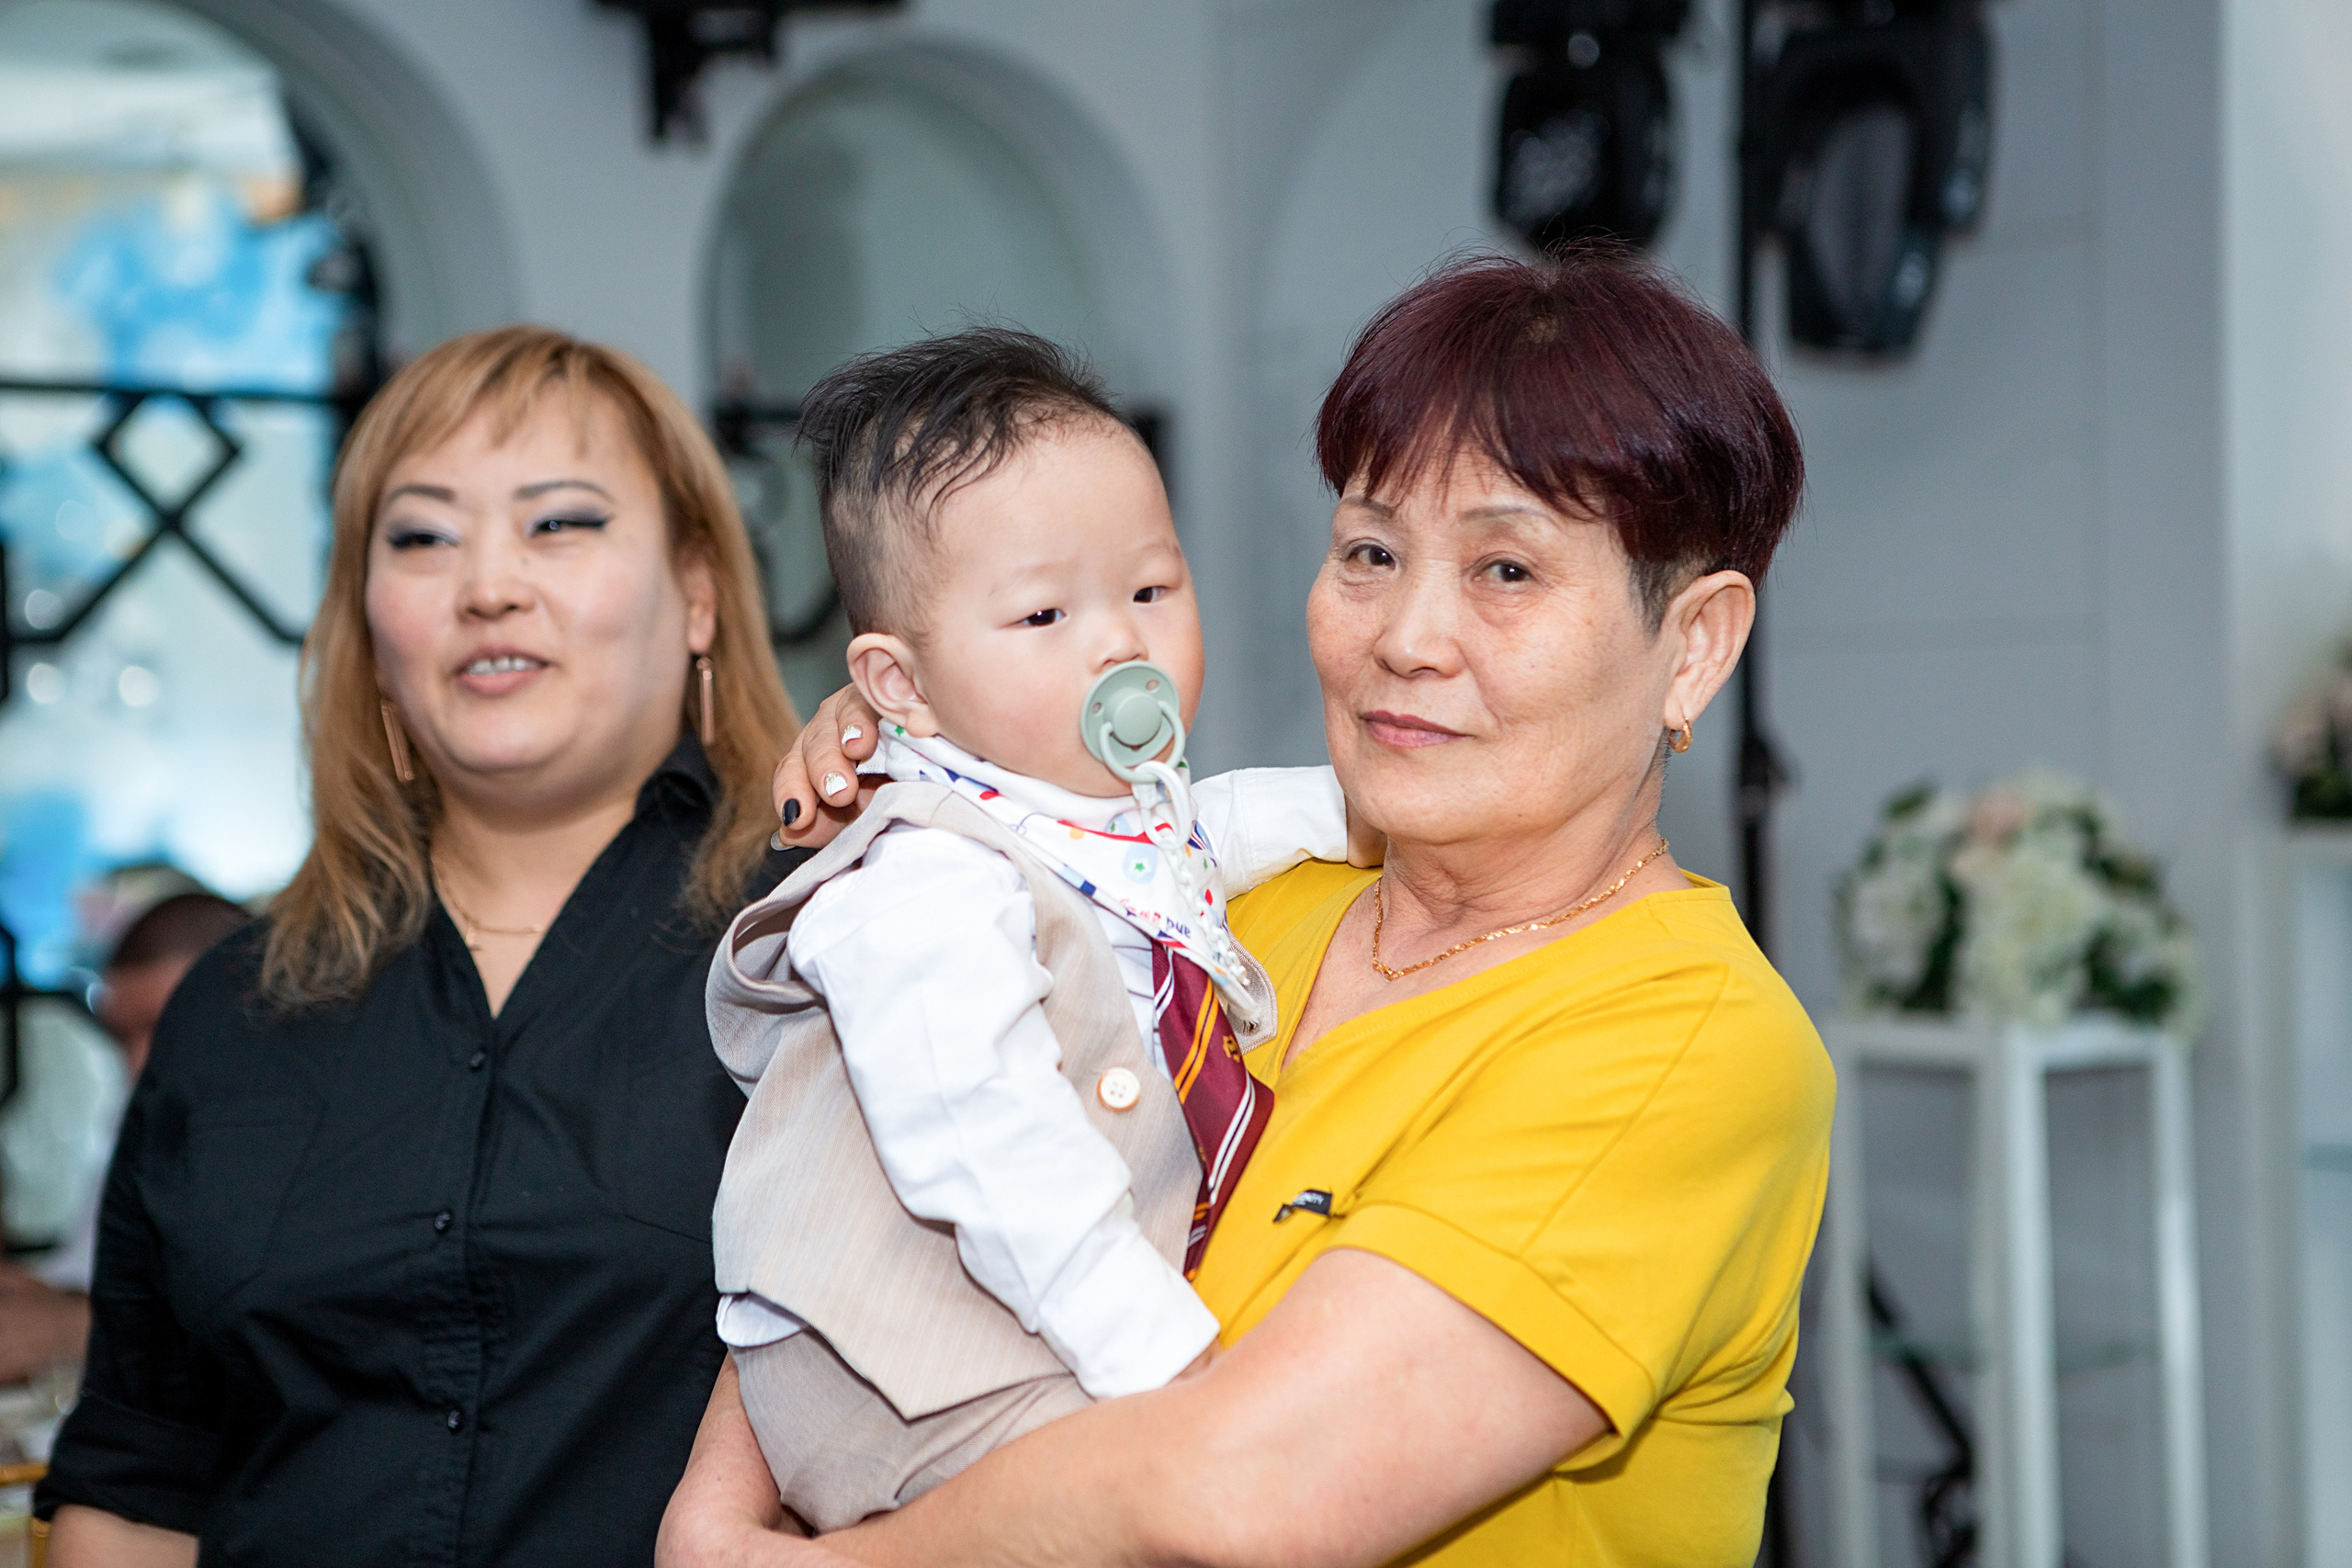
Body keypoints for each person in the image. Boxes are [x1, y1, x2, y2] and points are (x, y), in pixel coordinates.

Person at [661, 245, 1831, 1567]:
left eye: (1508, 571)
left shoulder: (1680, 1036)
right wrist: (944, 775)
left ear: (1695, 643)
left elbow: (1256, 1488)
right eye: (1372, 550)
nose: (1408, 633)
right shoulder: (1211, 908)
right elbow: (880, 1159)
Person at [38, 325, 803, 1567]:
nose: (487, 583)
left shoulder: (829, 944)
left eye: (558, 522)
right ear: (371, 627)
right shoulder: (235, 1007)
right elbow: (139, 1481)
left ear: (700, 590)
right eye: (423, 535)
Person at [705, 330, 1347, 1529]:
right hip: (911, 1376)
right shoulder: (919, 886)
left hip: (1017, 1341)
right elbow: (993, 1155)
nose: (1118, 641)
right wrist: (1169, 1374)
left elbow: (1212, 831)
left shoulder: (1089, 817)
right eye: (1045, 611)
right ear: (898, 685)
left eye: (1152, 588)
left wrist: (1378, 806)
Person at [0, 890, 247, 1385]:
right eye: (122, 1038)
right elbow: (89, 1277)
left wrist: (69, 1332)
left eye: (164, 1027)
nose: (136, 1065)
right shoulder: (146, 1124)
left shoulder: (318, 1139)